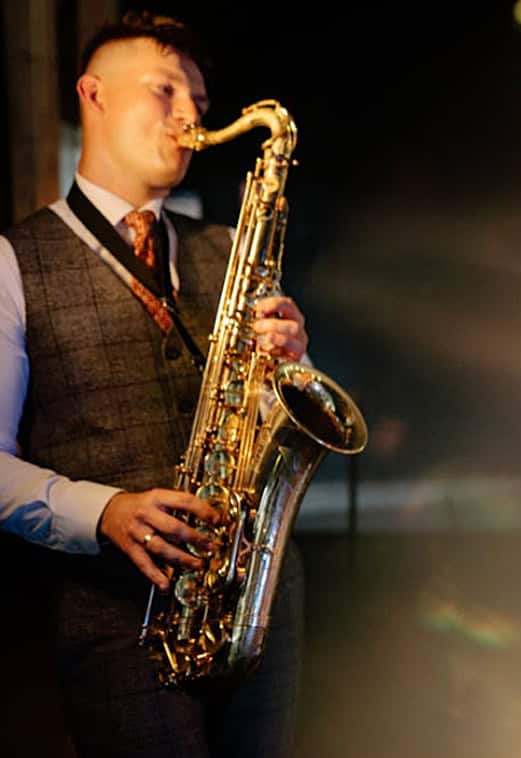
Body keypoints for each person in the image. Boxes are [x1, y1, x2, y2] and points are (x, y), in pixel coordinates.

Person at [0, 12, 309, 757]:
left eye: (199, 105)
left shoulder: (232, 246)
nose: (189, 118)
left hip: (258, 608)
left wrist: (289, 366)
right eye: (166, 90)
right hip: (116, 624)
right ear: (92, 93)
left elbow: (262, 417)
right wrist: (102, 511)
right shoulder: (13, 261)